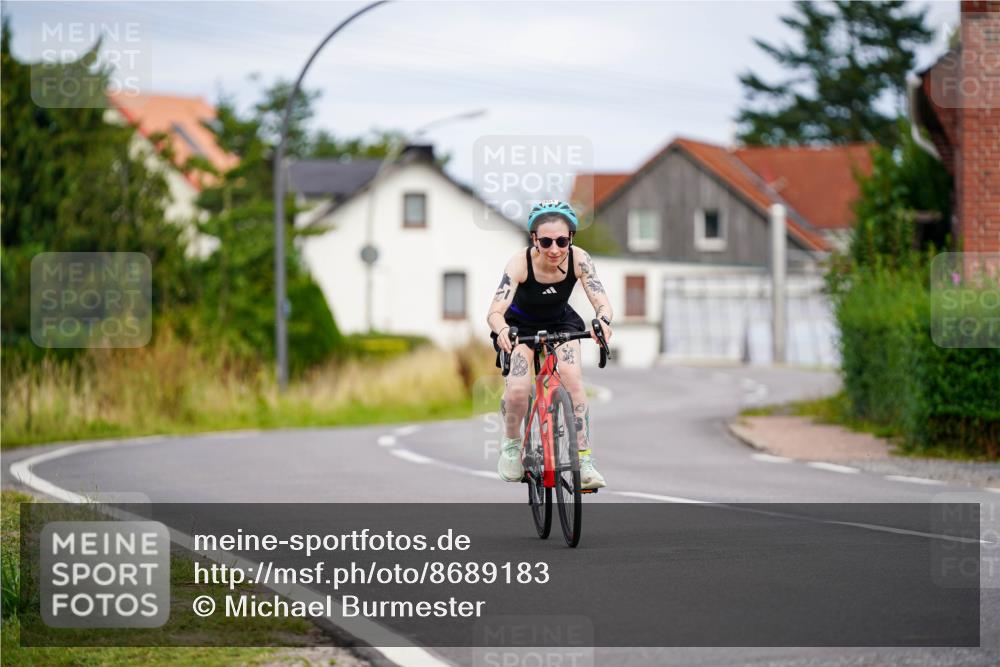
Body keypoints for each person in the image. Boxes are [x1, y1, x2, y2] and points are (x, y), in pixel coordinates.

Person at [487, 200, 613, 490]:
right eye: (546, 241)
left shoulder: (579, 259)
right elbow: (494, 311)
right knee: (518, 389)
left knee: (572, 380)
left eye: (562, 241)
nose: (554, 249)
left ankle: (583, 462)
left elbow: (602, 302)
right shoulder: (520, 263)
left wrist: (603, 322)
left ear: (571, 238)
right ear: (534, 239)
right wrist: (502, 329)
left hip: (560, 322)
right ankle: (511, 445)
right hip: (520, 326)